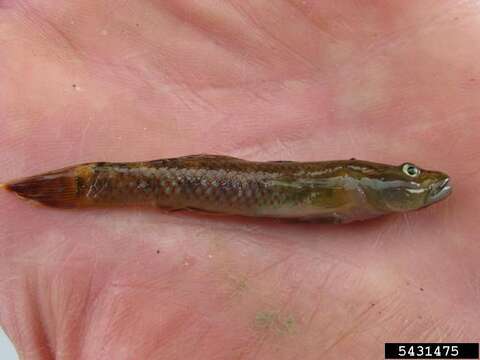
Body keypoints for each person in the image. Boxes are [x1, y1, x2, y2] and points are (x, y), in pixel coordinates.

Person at [0, 1, 478, 359]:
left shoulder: (351, 191)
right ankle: (90, 184)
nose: (418, 180)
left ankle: (92, 184)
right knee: (163, 181)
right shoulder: (348, 185)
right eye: (410, 174)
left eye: (412, 176)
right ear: (360, 181)